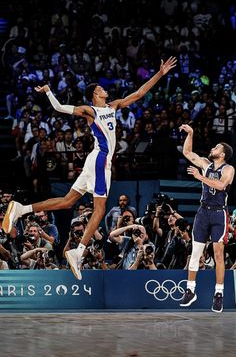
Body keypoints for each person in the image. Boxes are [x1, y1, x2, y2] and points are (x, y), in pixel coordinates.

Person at [2, 56, 177, 280]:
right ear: (96, 94)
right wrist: (47, 91)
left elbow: (139, 93)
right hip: (100, 160)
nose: (106, 90)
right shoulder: (90, 110)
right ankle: (78, 251)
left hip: (95, 161)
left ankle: (21, 209)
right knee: (100, 209)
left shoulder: (113, 106)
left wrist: (160, 74)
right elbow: (60, 108)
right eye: (102, 89)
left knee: (67, 201)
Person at [179, 124, 235, 313]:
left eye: (216, 147)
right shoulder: (205, 164)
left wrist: (199, 177)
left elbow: (220, 186)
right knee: (195, 252)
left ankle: (219, 294)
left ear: (223, 154)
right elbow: (187, 152)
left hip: (219, 213)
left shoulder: (229, 169)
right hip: (203, 212)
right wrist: (191, 133)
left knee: (218, 254)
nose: (213, 148)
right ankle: (190, 290)